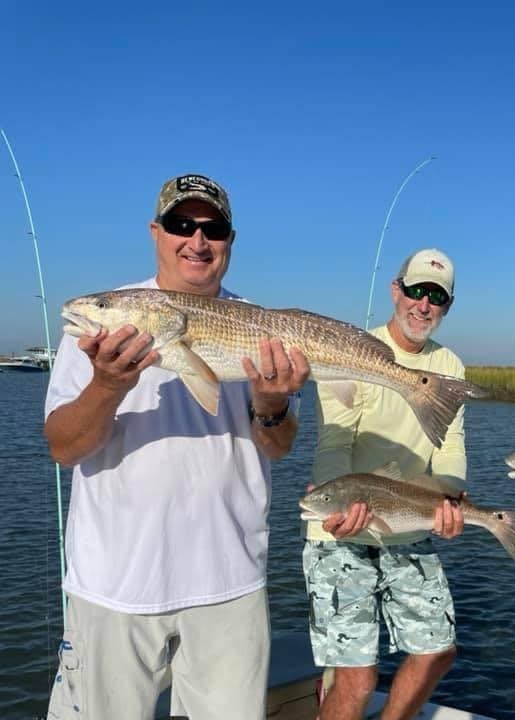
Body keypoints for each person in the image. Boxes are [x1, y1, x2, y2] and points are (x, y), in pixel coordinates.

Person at [44, 173, 310, 720]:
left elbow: (279, 447)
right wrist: (107, 385)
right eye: (180, 224)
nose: (197, 240)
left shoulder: (263, 330)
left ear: (230, 241)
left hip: (231, 582)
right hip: (115, 584)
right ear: (155, 232)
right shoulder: (96, 334)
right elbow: (64, 448)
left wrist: (271, 404)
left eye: (213, 228)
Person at [302, 248, 468, 720]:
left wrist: (450, 501)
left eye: (436, 296)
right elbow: (335, 439)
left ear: (447, 305)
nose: (424, 304)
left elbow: (450, 446)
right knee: (356, 679)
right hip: (341, 527)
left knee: (439, 652)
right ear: (396, 291)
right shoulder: (351, 349)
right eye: (416, 290)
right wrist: (337, 506)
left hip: (410, 525)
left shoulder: (451, 367)